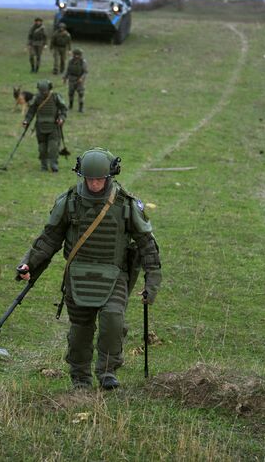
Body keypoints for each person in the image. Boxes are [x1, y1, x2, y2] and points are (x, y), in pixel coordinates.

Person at [17, 147, 162, 390]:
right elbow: (49, 238)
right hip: (78, 277)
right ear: (81, 176)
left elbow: (147, 244)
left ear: (110, 177)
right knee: (80, 331)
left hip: (114, 275)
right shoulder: (70, 202)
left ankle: (107, 371)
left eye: (99, 179)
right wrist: (28, 263)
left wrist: (152, 283)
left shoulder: (125, 204)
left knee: (113, 320)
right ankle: (80, 378)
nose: (94, 184)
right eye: (89, 179)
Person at [22, 80, 67, 172]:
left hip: (53, 126)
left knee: (53, 147)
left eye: (45, 91)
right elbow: (31, 111)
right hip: (40, 127)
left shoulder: (56, 97)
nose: (43, 93)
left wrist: (61, 118)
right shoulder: (36, 98)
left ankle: (54, 164)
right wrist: (26, 121)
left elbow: (63, 109)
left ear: (49, 89)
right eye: (41, 91)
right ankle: (43, 165)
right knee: (42, 148)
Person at [63, 48, 88, 112]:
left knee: (81, 93)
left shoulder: (83, 62)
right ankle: (70, 105)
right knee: (70, 93)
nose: (77, 56)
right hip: (71, 79)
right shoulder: (70, 61)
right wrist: (65, 78)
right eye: (75, 55)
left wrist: (81, 78)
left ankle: (81, 108)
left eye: (78, 55)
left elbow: (85, 72)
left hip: (79, 80)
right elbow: (67, 70)